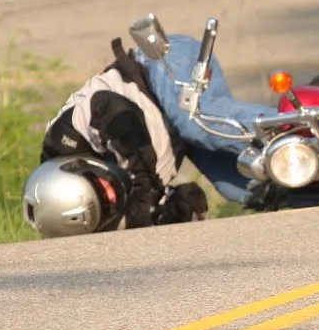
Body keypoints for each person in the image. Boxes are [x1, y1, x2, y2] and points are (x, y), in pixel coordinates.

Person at [23, 31, 277, 238]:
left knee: (197, 121)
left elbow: (117, 114)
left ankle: (295, 128)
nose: (113, 195)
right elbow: (170, 210)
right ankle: (311, 187)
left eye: (100, 188)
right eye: (106, 207)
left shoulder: (66, 137)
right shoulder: (114, 222)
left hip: (162, 70)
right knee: (245, 186)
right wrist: (176, 209)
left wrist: (143, 193)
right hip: (180, 136)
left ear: (76, 169)